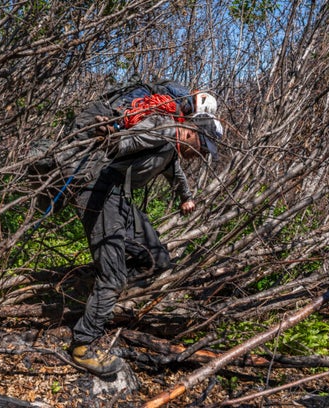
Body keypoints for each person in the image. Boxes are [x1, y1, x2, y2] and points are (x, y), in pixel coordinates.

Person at [68, 109, 223, 376]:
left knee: (157, 260)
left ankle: (99, 286)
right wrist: (112, 138)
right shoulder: (162, 128)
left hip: (118, 196)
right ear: (191, 132)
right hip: (99, 190)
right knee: (114, 277)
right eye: (202, 148)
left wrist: (185, 197)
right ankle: (83, 345)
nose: (200, 155)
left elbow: (174, 171)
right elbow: (129, 141)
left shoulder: (172, 146)